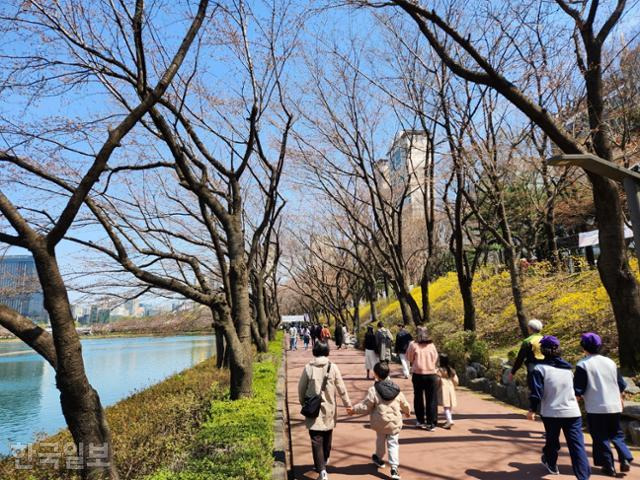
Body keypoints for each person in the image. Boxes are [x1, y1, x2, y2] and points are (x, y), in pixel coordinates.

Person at [528, 336, 591, 479]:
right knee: (577, 446)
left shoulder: (539, 369)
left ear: (543, 350)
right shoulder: (568, 369)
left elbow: (536, 392)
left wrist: (532, 409)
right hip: (573, 412)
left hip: (551, 413)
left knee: (552, 441)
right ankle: (583, 477)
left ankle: (550, 462)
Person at [574, 332, 633, 476]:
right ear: (600, 346)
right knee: (616, 434)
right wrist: (620, 399)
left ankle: (608, 466)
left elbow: (578, 389)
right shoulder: (610, 362)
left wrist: (574, 400)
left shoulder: (583, 365)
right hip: (614, 405)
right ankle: (625, 457)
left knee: (600, 437)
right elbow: (621, 384)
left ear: (583, 347)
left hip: (596, 407)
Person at [298, 341, 351, 480]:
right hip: (329, 409)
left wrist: (303, 403)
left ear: (314, 351)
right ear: (327, 351)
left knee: (316, 439)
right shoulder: (333, 367)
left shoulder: (308, 368)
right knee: (327, 436)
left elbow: (301, 388)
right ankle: (324, 461)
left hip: (313, 409)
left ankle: (321, 470)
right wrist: (348, 405)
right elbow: (341, 388)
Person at [348, 362, 411, 480]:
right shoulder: (396, 388)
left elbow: (366, 406)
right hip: (394, 421)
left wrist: (353, 410)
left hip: (380, 421)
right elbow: (404, 403)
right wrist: (407, 411)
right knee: (393, 444)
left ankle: (378, 457)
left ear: (376, 374)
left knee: (380, 440)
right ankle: (394, 468)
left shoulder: (373, 390)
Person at [406, 326, 439, 430]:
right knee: (432, 399)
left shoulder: (413, 344)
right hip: (431, 374)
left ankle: (420, 420)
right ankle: (431, 423)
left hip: (418, 374)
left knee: (418, 398)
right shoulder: (432, 345)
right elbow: (436, 358)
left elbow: (409, 358)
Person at [508, 319, 544, 384]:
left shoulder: (527, 341)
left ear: (530, 328)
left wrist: (513, 372)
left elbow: (520, 358)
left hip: (533, 368)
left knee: (535, 391)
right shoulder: (545, 339)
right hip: (547, 368)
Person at [437, 353, 459, 430]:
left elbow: (437, 379)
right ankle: (449, 419)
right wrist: (455, 385)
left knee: (446, 406)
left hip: (443, 387)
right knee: (450, 405)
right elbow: (456, 380)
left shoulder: (439, 370)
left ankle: (449, 420)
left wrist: (436, 386)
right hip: (450, 387)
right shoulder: (451, 369)